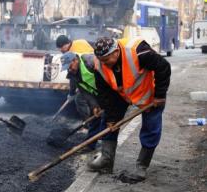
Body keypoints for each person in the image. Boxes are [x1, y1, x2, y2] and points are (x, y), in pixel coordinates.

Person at [89, 37, 171, 183]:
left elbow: (163, 66)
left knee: (151, 128)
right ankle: (106, 159)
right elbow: (104, 92)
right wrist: (111, 118)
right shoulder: (99, 64)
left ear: (115, 52)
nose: (104, 64)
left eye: (107, 60)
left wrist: (159, 95)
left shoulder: (138, 51)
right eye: (101, 60)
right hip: (122, 95)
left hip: (149, 94)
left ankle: (141, 166)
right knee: (109, 124)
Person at [61, 52, 102, 150]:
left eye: (70, 66)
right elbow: (86, 93)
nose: (70, 69)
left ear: (75, 60)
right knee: (95, 118)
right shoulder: (75, 75)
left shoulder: (90, 62)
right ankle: (90, 145)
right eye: (67, 68)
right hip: (97, 95)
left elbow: (107, 77)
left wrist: (105, 101)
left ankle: (106, 150)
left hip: (110, 91)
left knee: (109, 120)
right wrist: (95, 106)